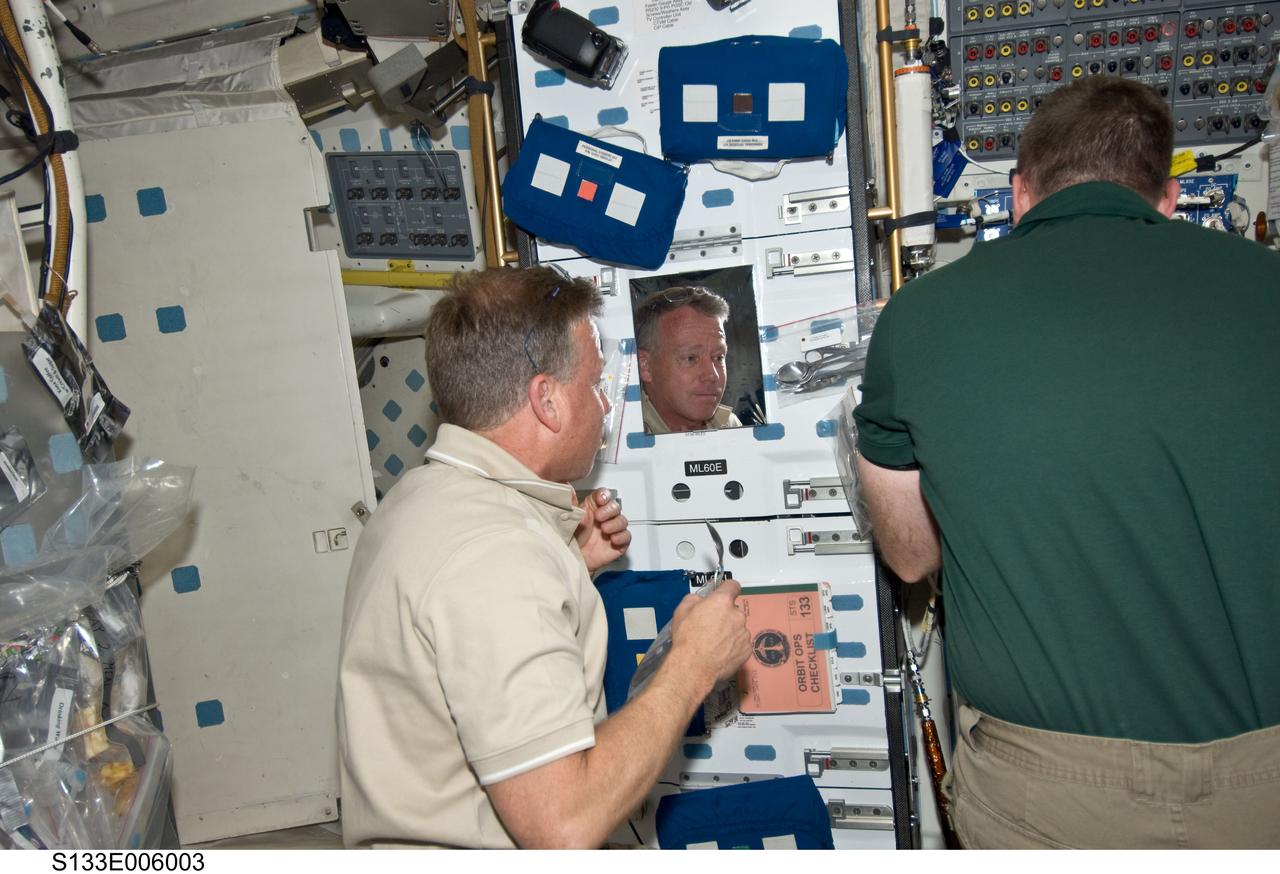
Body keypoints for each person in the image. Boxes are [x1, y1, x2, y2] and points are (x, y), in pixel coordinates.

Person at [853, 76, 1280, 849]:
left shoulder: (919, 322)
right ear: (1169, 197)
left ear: (1020, 195)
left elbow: (910, 558)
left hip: (1045, 795)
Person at [336, 267, 751, 848]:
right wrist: (694, 665)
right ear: (548, 401)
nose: (605, 405)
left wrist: (569, 567)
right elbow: (563, 824)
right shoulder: (497, 554)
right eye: (595, 384)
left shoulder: (420, 498)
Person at [634, 286, 743, 433]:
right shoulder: (618, 439)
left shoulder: (730, 426)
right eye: (691, 358)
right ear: (645, 366)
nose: (712, 376)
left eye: (718, 357)